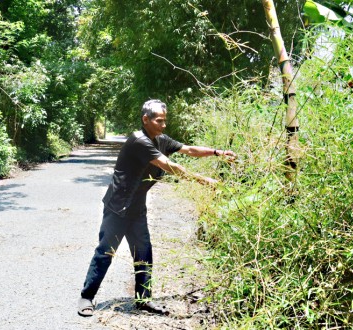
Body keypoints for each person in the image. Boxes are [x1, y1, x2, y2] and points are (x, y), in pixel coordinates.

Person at [78, 99, 236, 317]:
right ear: (146, 119)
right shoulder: (139, 141)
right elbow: (170, 166)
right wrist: (205, 181)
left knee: (144, 252)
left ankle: (143, 300)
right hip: (117, 207)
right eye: (159, 120)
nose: (164, 125)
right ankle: (87, 297)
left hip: (136, 208)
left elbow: (189, 150)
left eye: (165, 120)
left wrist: (218, 152)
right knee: (106, 252)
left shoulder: (161, 139)